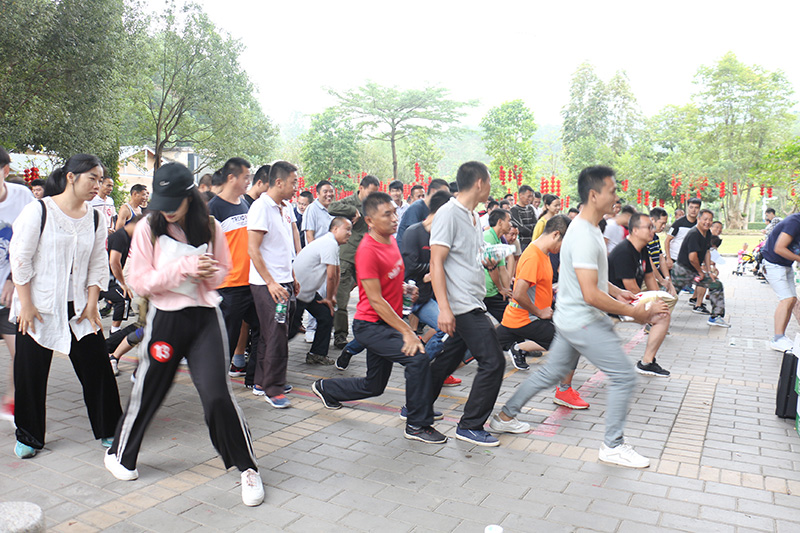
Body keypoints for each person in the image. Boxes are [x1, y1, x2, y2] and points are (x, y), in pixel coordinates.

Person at [102, 162, 263, 506]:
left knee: (219, 395)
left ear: (190, 196)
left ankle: (247, 467)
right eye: (162, 202)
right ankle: (120, 454)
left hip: (205, 318)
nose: (168, 210)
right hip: (165, 321)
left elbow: (223, 272)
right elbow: (139, 281)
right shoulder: (148, 227)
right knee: (149, 390)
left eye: (174, 202)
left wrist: (208, 271)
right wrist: (186, 267)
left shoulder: (211, 227)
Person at [491, 166, 666, 468]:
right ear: (594, 194)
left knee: (549, 374)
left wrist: (617, 292)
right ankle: (613, 445)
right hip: (585, 320)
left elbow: (592, 280)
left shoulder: (591, 228)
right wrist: (634, 313)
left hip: (571, 319)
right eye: (612, 190)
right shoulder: (584, 233)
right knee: (624, 376)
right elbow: (589, 293)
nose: (616, 196)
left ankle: (504, 417)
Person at [311, 192, 447, 444]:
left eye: (395, 212)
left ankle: (326, 388)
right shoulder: (367, 250)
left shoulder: (391, 241)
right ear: (370, 221)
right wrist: (406, 331)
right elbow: (374, 299)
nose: (395, 218)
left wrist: (406, 288)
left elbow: (391, 279)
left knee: (374, 386)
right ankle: (417, 424)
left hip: (386, 323)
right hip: (371, 326)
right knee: (417, 359)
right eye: (388, 214)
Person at [11, 153, 122, 459]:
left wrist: (91, 304)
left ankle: (111, 429)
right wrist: (26, 304)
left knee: (97, 367)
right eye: (92, 179)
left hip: (79, 307)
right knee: (30, 372)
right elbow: (20, 258)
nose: (97, 186)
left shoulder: (96, 217)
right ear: (72, 177)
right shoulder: (39, 211)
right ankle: (29, 436)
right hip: (38, 304)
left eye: (100, 180)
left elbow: (98, 264)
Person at [429, 161, 506, 447]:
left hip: (474, 299)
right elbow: (436, 261)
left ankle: (416, 408)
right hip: (461, 305)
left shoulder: (475, 216)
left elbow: (467, 255)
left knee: (446, 362)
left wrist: (484, 259)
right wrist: (444, 308)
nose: (491, 186)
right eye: (489, 181)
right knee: (493, 360)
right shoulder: (449, 213)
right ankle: (470, 425)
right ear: (479, 182)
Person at [493, 215, 590, 410]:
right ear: (556, 235)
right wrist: (540, 311)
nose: (564, 248)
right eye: (565, 242)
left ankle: (441, 370)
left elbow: (533, 288)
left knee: (476, 348)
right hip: (526, 319)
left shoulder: (542, 253)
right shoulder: (533, 256)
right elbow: (519, 294)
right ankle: (563, 390)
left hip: (520, 319)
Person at [249, 161, 300, 407]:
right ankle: (273, 388)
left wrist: (292, 276)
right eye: (293, 183)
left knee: (273, 332)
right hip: (268, 284)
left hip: (284, 280)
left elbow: (283, 247)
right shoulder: (261, 207)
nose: (295, 188)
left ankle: (262, 380)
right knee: (277, 333)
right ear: (278, 182)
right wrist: (270, 283)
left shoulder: (285, 207)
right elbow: (253, 249)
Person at [207, 157, 260, 379]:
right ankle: (216, 383)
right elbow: (206, 248)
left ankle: (255, 378)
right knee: (226, 338)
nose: (249, 182)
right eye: (246, 177)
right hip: (229, 286)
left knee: (262, 329)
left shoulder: (246, 204)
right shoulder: (214, 209)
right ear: (232, 178)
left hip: (251, 282)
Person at [608, 212, 673, 377]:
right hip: (612, 304)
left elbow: (649, 277)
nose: (653, 230)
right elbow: (631, 287)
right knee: (661, 316)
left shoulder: (642, 249)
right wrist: (651, 306)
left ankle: (647, 362)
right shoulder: (624, 252)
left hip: (627, 300)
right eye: (648, 227)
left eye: (652, 227)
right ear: (635, 230)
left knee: (662, 313)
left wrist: (657, 300)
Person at [0, 147, 35, 422]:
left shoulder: (23, 197)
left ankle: (12, 400)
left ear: (5, 171)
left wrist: (13, 279)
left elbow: (31, 244)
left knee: (20, 352)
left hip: (10, 295)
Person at [289, 217, 352, 364]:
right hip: (298, 293)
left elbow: (336, 272)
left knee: (325, 315)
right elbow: (330, 276)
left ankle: (317, 354)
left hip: (308, 293)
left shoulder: (332, 244)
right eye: (347, 229)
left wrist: (333, 297)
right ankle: (263, 352)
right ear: (335, 229)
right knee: (289, 331)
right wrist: (329, 299)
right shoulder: (329, 244)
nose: (350, 233)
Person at [328, 175, 381, 348]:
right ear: (361, 188)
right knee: (342, 298)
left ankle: (370, 331)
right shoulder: (351, 202)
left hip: (366, 256)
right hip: (347, 255)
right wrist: (353, 212)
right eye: (370, 192)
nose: (373, 195)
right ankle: (340, 335)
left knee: (371, 296)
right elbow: (332, 207)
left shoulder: (374, 205)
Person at [671, 209, 730, 327]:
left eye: (710, 220)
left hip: (693, 270)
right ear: (698, 219)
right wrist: (700, 272)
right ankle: (652, 319)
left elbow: (707, 252)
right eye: (705, 219)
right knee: (668, 296)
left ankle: (715, 317)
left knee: (716, 284)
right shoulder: (694, 234)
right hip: (682, 271)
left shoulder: (707, 233)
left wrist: (708, 272)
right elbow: (692, 258)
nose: (707, 222)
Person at [106, 215, 145, 374]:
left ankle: (110, 347)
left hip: (108, 280)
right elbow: (113, 261)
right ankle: (111, 349)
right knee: (123, 300)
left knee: (142, 326)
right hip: (105, 281)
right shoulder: (121, 236)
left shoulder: (127, 237)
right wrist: (122, 283)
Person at [760, 213, 800, 352]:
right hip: (773, 264)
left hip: (786, 265)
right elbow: (779, 248)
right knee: (786, 299)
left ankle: (780, 337)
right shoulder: (795, 222)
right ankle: (777, 338)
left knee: (792, 300)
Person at [396, 178, 451, 249]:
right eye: (443, 194)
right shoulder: (416, 208)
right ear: (433, 191)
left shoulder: (434, 209)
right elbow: (413, 235)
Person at [483, 209, 513, 322]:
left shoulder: (499, 241)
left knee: (508, 317)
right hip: (485, 292)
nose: (510, 225)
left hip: (493, 291)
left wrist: (507, 291)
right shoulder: (487, 237)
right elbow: (492, 268)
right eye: (509, 221)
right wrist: (501, 289)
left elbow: (502, 269)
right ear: (500, 222)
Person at [644, 207, 676, 295]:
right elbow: (649, 261)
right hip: (646, 277)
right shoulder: (645, 237)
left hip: (655, 276)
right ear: (652, 220)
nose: (663, 226)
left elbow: (661, 257)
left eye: (665, 224)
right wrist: (661, 280)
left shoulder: (655, 237)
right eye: (662, 223)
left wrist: (667, 278)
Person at [664, 198, 701, 270]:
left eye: (696, 208)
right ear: (688, 208)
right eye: (691, 207)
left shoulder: (699, 225)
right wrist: (668, 258)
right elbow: (667, 240)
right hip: (675, 258)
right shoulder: (678, 223)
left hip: (690, 261)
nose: (693, 210)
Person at [509, 185, 536, 251]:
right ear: (521, 195)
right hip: (522, 243)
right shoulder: (514, 210)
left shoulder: (530, 208)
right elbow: (520, 228)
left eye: (531, 197)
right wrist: (532, 228)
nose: (530, 199)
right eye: (528, 196)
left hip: (532, 241)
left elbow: (536, 224)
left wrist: (530, 227)